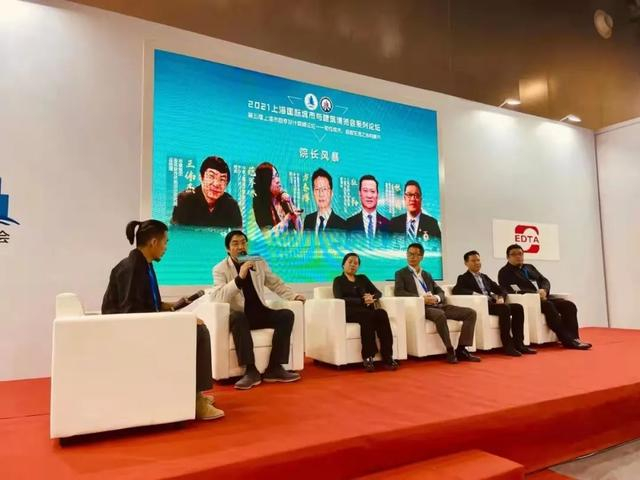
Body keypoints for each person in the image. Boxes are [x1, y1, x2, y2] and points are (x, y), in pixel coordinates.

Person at [101, 220, 224, 420]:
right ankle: (196, 400)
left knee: (195, 327)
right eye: (165, 242)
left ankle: (192, 394)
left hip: (142, 326)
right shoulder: (132, 269)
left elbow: (150, 304)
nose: (166, 247)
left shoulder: (144, 265)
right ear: (153, 242)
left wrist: (176, 305)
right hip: (128, 334)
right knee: (199, 332)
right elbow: (132, 314)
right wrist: (181, 322)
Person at [212, 230, 306, 389]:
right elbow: (218, 297)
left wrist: (293, 296)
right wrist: (240, 278)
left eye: (243, 242)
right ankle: (250, 371)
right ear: (227, 249)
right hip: (241, 316)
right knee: (238, 317)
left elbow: (275, 283)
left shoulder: (257, 262)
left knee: (286, 315)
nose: (240, 247)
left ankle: (274, 367)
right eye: (235, 243)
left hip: (259, 313)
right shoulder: (220, 269)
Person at [394, 243, 479, 363]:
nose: (412, 257)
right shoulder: (401, 273)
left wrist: (437, 297)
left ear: (421, 257)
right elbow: (399, 292)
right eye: (410, 254)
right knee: (440, 315)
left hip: (437, 304)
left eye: (416, 254)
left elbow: (440, 291)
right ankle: (450, 350)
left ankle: (461, 349)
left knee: (470, 313)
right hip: (422, 307)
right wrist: (421, 298)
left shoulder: (426, 274)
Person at [498, 244, 591, 350]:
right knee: (548, 305)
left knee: (568, 305)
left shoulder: (529, 267)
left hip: (543, 297)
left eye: (520, 254)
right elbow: (511, 290)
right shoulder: (505, 272)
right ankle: (567, 340)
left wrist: (544, 290)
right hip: (530, 301)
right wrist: (536, 295)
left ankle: (575, 338)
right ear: (508, 257)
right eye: (514, 254)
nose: (518, 256)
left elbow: (544, 280)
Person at [452, 250, 536, 356]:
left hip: (492, 304)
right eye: (473, 261)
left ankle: (519, 344)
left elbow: (501, 289)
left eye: (478, 260)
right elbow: (457, 290)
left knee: (518, 307)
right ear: (466, 263)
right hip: (481, 305)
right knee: (504, 308)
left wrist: (501, 297)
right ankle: (508, 345)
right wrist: (476, 294)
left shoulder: (484, 277)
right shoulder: (463, 278)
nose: (477, 263)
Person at [333, 253, 398, 372]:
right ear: (343, 264)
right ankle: (368, 356)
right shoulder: (338, 280)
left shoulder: (362, 278)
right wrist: (362, 300)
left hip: (367, 310)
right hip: (350, 312)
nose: (353, 265)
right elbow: (340, 298)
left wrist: (371, 297)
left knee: (382, 313)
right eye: (350, 262)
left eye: (356, 263)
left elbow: (378, 293)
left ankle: (387, 355)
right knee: (368, 316)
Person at [171, 156, 242, 228]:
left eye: (222, 179)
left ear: (226, 184)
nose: (216, 184)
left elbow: (237, 233)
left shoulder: (231, 205)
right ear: (201, 177)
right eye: (211, 176)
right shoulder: (184, 200)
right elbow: (176, 231)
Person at [252, 162, 302, 234]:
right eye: (272, 178)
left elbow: (300, 230)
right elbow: (268, 235)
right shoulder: (259, 205)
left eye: (277, 175)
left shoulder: (284, 198)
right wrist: (287, 219)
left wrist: (291, 205)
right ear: (264, 182)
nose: (277, 180)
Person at [303, 168, 347, 233]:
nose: (321, 194)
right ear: (313, 192)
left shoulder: (343, 225)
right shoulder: (308, 220)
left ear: (331, 193)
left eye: (324, 189)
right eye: (317, 189)